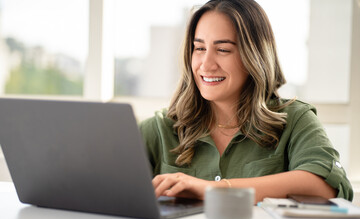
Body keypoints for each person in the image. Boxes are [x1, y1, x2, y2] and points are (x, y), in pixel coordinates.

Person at [139, 0, 353, 203]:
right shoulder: (158, 129)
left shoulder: (296, 120)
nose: (206, 64)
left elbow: (327, 185)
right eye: (200, 48)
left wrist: (213, 189)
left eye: (223, 50)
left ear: (254, 56)